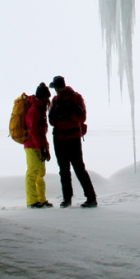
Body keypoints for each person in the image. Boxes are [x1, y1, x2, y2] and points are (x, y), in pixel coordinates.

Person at [48, 75, 97, 208]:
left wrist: (68, 112)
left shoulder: (76, 97)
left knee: (78, 169)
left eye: (56, 87)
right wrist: (55, 113)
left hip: (72, 138)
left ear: (59, 86)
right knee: (64, 170)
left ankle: (91, 198)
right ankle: (67, 199)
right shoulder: (56, 100)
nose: (56, 90)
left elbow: (82, 118)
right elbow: (52, 122)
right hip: (60, 138)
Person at [25, 82, 53, 209]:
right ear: (42, 97)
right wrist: (40, 147)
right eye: (47, 98)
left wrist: (45, 147)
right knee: (33, 172)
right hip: (32, 146)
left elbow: (41, 132)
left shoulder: (40, 110)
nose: (48, 100)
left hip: (38, 145)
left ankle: (41, 199)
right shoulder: (34, 110)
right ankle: (32, 201)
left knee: (40, 173)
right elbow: (33, 131)